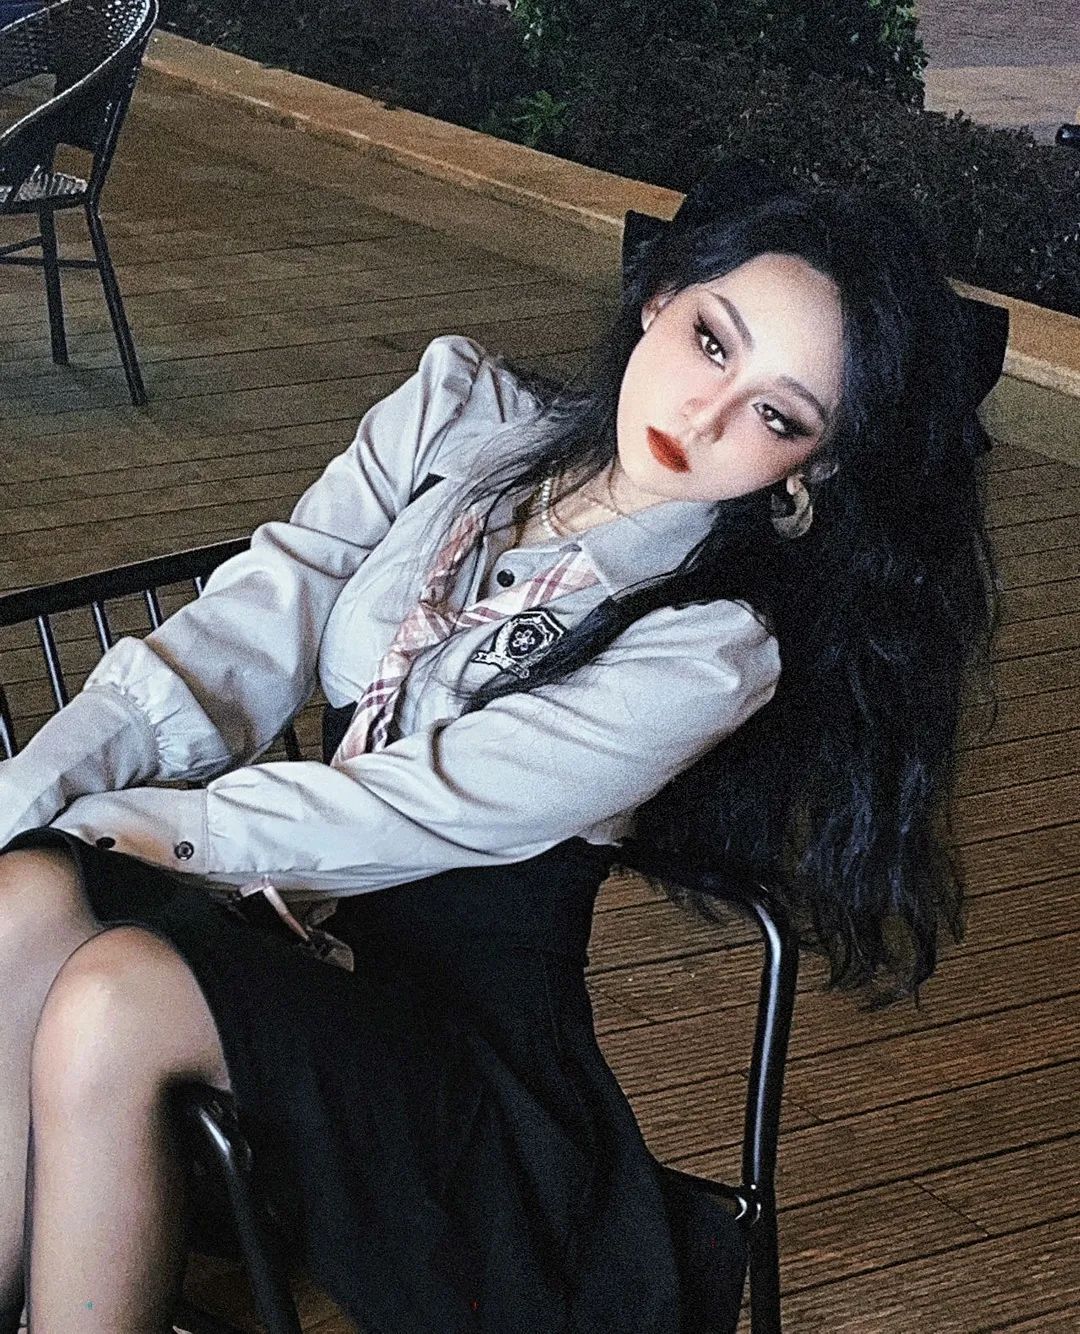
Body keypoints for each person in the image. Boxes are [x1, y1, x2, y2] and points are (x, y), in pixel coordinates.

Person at [0, 158, 1006, 1334]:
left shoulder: (714, 642)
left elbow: (417, 803)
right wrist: (37, 791)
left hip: (463, 1059)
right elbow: (253, 621)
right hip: (284, 930)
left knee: (113, 995)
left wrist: (120, 825)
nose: (705, 417)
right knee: (22, 891)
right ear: (659, 294)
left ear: (813, 466)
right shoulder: (460, 412)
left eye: (778, 415)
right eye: (710, 342)